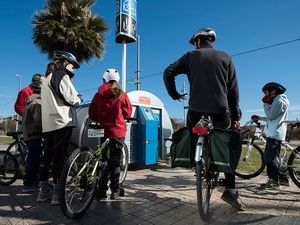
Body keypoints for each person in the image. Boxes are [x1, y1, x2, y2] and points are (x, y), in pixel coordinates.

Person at [163, 27, 245, 210]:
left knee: (191, 131)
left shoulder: (191, 56)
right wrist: (236, 116)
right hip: (220, 111)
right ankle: (231, 191)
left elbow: (168, 72)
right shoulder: (225, 57)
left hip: (195, 111)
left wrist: (174, 94)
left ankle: (196, 162)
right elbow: (233, 91)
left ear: (198, 41)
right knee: (227, 144)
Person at [37, 51, 82, 205]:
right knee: (59, 159)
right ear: (64, 62)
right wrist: (78, 99)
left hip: (48, 125)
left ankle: (43, 192)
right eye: (72, 65)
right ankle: (57, 193)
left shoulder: (46, 80)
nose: (73, 68)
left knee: (46, 157)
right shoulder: (61, 75)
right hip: (62, 121)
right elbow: (71, 97)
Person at [89, 68, 132, 200]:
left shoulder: (98, 94)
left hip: (103, 131)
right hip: (117, 131)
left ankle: (101, 190)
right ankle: (115, 191)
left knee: (104, 160)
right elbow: (128, 112)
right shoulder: (121, 94)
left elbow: (92, 113)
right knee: (115, 160)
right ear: (117, 80)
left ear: (104, 80)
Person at [252, 82, 289, 189]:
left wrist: (266, 103)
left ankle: (274, 181)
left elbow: (271, 115)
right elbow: (271, 117)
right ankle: (283, 178)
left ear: (274, 91)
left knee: (269, 159)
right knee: (275, 159)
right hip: (274, 132)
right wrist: (259, 118)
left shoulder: (279, 101)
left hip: (275, 134)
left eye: (267, 93)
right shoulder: (278, 100)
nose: (266, 96)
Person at [21, 74, 44, 192]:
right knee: (34, 160)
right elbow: (39, 121)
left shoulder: (29, 101)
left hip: (28, 134)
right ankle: (30, 184)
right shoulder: (37, 102)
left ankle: (31, 182)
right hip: (34, 134)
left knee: (31, 159)